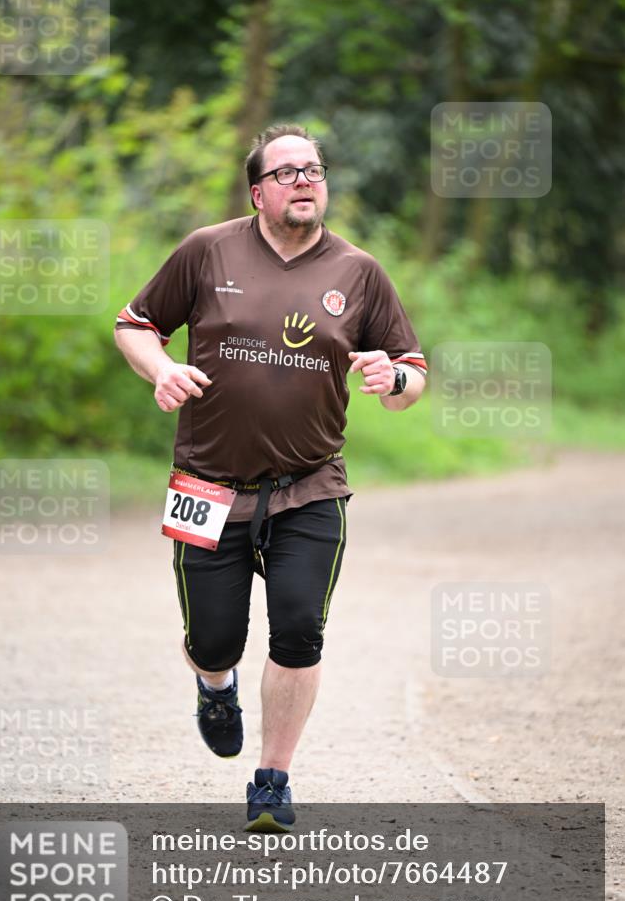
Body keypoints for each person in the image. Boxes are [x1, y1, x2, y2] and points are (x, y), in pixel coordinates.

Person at [114, 123, 427, 831]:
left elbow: (412, 375)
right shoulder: (205, 250)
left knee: (298, 630)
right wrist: (161, 367)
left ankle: (271, 782)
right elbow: (132, 324)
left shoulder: (359, 272)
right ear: (257, 192)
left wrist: (394, 376)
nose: (303, 180)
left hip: (310, 486)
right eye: (285, 172)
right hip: (207, 486)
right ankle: (215, 684)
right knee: (213, 639)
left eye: (313, 170)